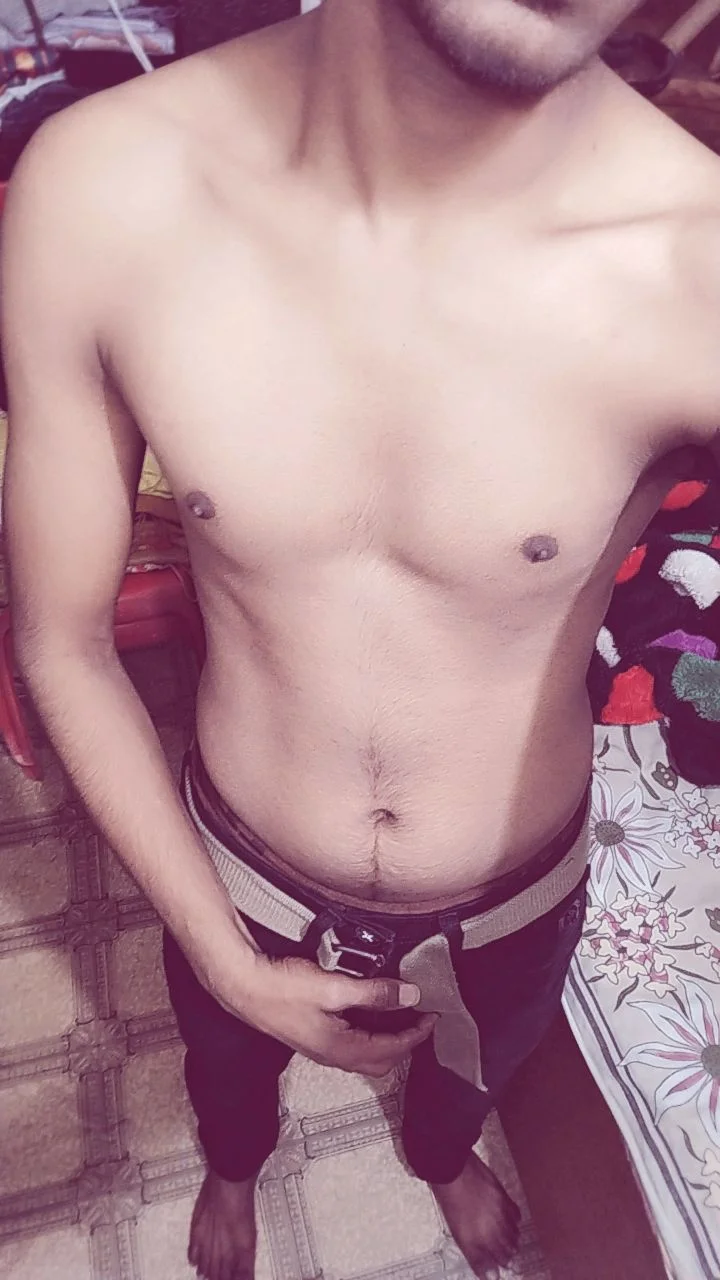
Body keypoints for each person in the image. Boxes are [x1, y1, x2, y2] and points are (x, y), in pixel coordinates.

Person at [4, 1, 720, 1276]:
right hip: (237, 875)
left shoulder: (696, 266)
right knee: (227, 1075)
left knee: (462, 1092)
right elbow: (63, 643)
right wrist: (224, 956)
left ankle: (439, 1161)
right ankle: (234, 1170)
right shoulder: (103, 193)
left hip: (515, 899)